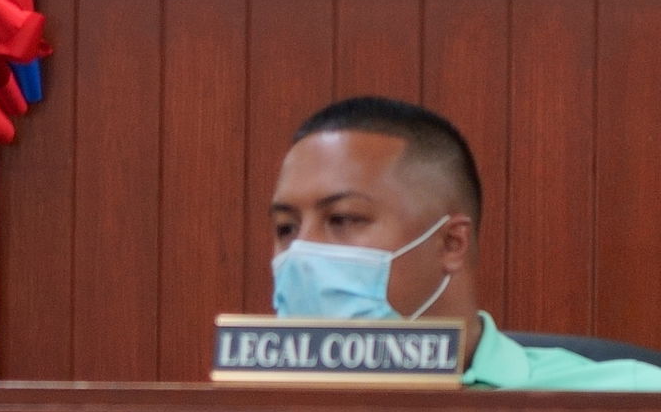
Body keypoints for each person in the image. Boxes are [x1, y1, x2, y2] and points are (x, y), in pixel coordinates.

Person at [271, 96, 661, 390]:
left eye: (342, 219)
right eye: (286, 228)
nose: (302, 251)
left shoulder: (631, 399)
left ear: (451, 243)